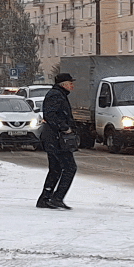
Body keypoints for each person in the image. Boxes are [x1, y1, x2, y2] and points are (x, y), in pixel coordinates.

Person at [38, 72, 79, 210]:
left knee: (55, 169)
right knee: (70, 168)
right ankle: (57, 198)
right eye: (70, 83)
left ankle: (45, 199)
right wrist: (64, 128)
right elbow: (50, 115)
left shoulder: (58, 94)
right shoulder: (56, 95)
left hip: (53, 139)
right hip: (57, 139)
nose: (72, 85)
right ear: (63, 84)